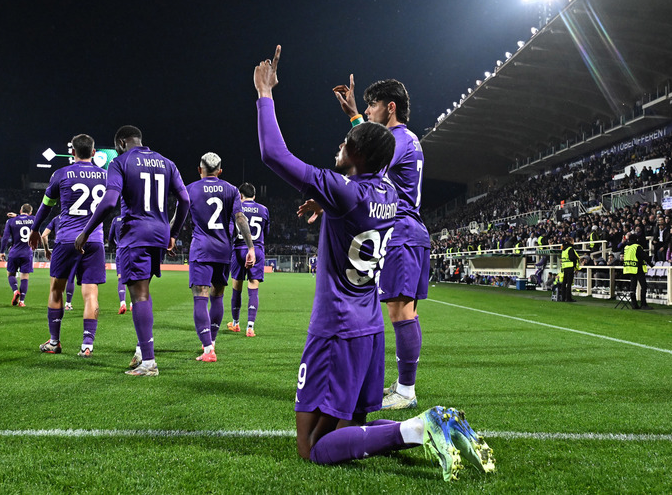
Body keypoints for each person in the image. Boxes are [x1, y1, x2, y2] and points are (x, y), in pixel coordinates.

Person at [254, 45, 493, 480]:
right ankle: (421, 426)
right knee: (353, 428)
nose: (339, 146)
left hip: (335, 331)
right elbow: (371, 161)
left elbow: (274, 155)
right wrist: (329, 198)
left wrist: (265, 94)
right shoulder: (385, 193)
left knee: (313, 449)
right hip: (368, 331)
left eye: (345, 144)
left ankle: (417, 428)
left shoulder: (345, 191)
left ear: (357, 156)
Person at [329, 72, 430, 411]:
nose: (369, 111)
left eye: (372, 105)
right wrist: (355, 115)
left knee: (400, 313)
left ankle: (405, 390)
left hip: (400, 233)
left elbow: (366, 159)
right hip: (409, 233)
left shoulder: (398, 138)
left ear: (390, 107)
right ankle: (404, 386)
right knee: (405, 313)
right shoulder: (407, 138)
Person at [74, 125, 190, 376]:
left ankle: (148, 362)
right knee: (144, 292)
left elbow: (110, 200)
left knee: (139, 296)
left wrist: (86, 230)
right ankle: (141, 348)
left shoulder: (120, 162)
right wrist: (174, 233)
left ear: (121, 142)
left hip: (135, 233)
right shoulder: (167, 162)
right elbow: (185, 200)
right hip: (159, 234)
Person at [28, 134, 107, 358]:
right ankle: (87, 345)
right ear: (93, 153)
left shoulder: (61, 174)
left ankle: (54, 342)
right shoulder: (105, 175)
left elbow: (46, 207)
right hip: (94, 240)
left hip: (66, 240)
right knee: (91, 294)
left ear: (72, 152)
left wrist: (35, 229)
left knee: (56, 290)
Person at [186, 152, 255, 362]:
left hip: (201, 248)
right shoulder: (232, 190)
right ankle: (212, 342)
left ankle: (207, 349)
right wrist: (250, 246)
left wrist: (170, 236)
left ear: (200, 170)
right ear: (220, 171)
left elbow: (180, 216)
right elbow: (240, 218)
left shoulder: (191, 189)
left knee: (200, 295)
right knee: (217, 296)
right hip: (223, 249)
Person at [228, 182, 269, 337]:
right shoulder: (264, 209)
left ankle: (236, 323)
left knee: (236, 289)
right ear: (254, 196)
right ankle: (250, 327)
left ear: (240, 195)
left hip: (239, 249)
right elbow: (267, 231)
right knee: (253, 289)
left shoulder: (236, 209)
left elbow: (231, 231)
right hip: (257, 249)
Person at [0, 203, 35, 307]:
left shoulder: (10, 221)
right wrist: (19, 217)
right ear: (30, 212)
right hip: (27, 253)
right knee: (25, 277)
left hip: (14, 252)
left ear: (20, 211)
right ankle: (22, 301)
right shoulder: (34, 219)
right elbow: (36, 218)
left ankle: (15, 291)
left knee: (10, 274)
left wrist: (2, 251)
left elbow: (5, 238)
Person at [40, 215, 77, 311]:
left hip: (60, 248)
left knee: (55, 278)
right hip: (75, 246)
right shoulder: (79, 217)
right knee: (71, 277)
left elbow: (44, 235)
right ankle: (68, 304)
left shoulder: (56, 219)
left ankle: (54, 305)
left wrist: (46, 250)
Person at [622, 233, 653, 309]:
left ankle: (634, 304)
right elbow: (644, 256)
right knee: (644, 286)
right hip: (638, 269)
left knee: (633, 287)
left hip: (630, 269)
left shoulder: (626, 247)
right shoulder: (637, 247)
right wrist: (651, 264)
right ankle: (643, 304)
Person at [107, 213, 129, 314]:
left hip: (120, 250)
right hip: (133, 249)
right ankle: (133, 303)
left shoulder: (116, 220)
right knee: (134, 277)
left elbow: (110, 238)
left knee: (121, 277)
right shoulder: (135, 216)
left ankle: (122, 303)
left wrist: (117, 245)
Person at [560, 236, 578, 302]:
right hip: (570, 266)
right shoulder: (570, 249)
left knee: (564, 282)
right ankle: (568, 298)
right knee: (569, 283)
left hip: (565, 267)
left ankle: (563, 297)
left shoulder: (564, 249)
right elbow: (572, 258)